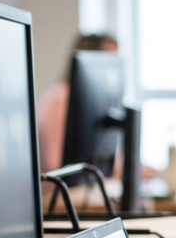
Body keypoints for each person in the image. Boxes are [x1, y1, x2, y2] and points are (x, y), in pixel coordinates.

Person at [37, 33, 119, 173]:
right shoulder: (60, 99)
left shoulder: (99, 100)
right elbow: (56, 164)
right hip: (62, 192)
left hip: (90, 188)